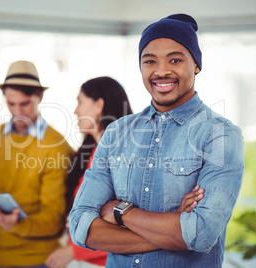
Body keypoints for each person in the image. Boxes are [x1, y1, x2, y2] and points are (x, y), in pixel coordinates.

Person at [69, 13, 244, 267]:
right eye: (150, 61)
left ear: (195, 64)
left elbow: (201, 232)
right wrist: (173, 225)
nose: (161, 71)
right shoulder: (116, 133)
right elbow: (80, 226)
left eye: (175, 59)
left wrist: (120, 212)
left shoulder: (220, 135)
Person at [46, 76, 205, 268]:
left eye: (80, 101)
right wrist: (168, 236)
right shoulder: (90, 154)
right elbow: (90, 217)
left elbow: (123, 221)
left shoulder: (129, 157)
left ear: (98, 106)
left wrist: (76, 248)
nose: (75, 110)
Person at [0, 60, 73, 267]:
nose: (17, 111)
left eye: (25, 103)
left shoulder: (55, 146)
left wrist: (16, 224)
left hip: (39, 260)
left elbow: (54, 219)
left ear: (40, 97)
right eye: (11, 104)